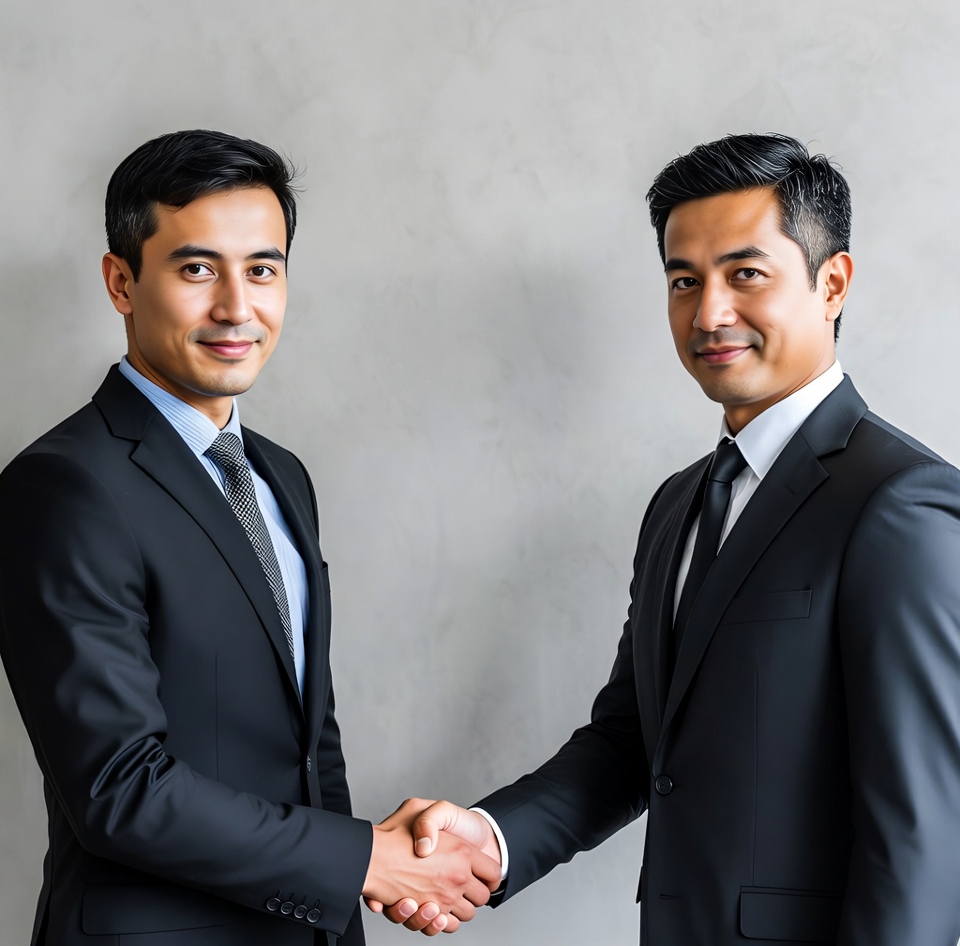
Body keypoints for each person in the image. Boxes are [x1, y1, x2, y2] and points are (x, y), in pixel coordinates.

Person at [383, 133, 960, 943]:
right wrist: (494, 838)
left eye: (745, 274)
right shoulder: (679, 505)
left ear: (832, 282)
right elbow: (635, 744)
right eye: (684, 281)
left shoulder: (899, 503)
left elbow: (922, 837)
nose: (709, 312)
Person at [0, 129, 498, 946]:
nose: (238, 306)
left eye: (263, 269)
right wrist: (364, 861)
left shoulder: (279, 475)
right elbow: (119, 788)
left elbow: (310, 744)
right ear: (121, 282)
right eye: (198, 269)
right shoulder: (64, 485)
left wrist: (351, 896)